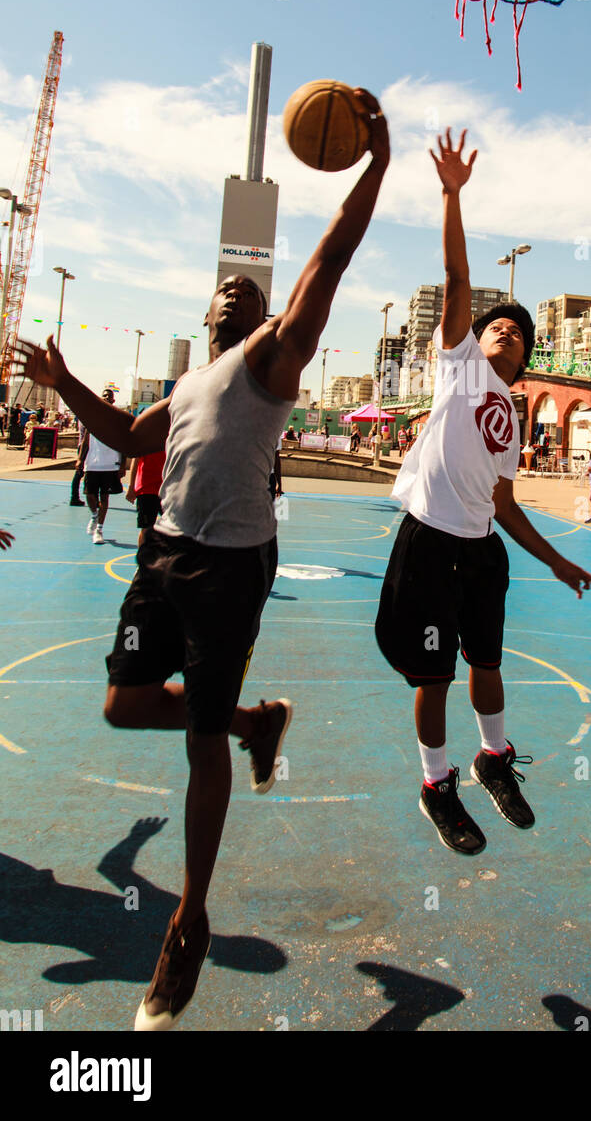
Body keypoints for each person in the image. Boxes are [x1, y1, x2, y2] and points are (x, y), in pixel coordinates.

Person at [15, 87, 389, 1030]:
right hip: (165, 554)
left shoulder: (271, 357)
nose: (236, 293)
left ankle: (188, 920)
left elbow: (328, 262)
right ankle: (258, 724)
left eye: (250, 291)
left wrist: (376, 168)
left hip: (231, 569)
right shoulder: (189, 384)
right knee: (123, 705)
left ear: (267, 314)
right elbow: (122, 431)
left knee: (195, 737)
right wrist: (63, 385)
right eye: (225, 288)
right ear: (206, 310)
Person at [375, 128, 591, 857]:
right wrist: (452, 193)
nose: (504, 331)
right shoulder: (461, 367)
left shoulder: (509, 423)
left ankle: (493, 758)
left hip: (481, 549)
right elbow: (459, 280)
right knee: (433, 674)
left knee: (487, 666)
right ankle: (437, 783)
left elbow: (505, 506)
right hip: (430, 540)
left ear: (525, 363)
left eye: (516, 334)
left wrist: (558, 562)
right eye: (496, 325)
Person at [80, 391, 127, 545]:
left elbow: (123, 444)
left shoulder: (117, 421)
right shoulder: (91, 420)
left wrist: (122, 465)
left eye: (108, 398)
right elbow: (85, 443)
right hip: (92, 464)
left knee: (104, 497)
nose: (106, 400)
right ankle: (94, 516)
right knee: (89, 495)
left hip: (109, 464)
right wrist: (80, 460)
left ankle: (99, 529)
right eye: (103, 399)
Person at [126, 447, 167, 547]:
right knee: (146, 528)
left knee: (173, 528)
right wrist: (131, 487)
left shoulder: (172, 435)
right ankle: (142, 558)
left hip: (167, 488)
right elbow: (135, 461)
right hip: (146, 488)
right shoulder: (147, 438)